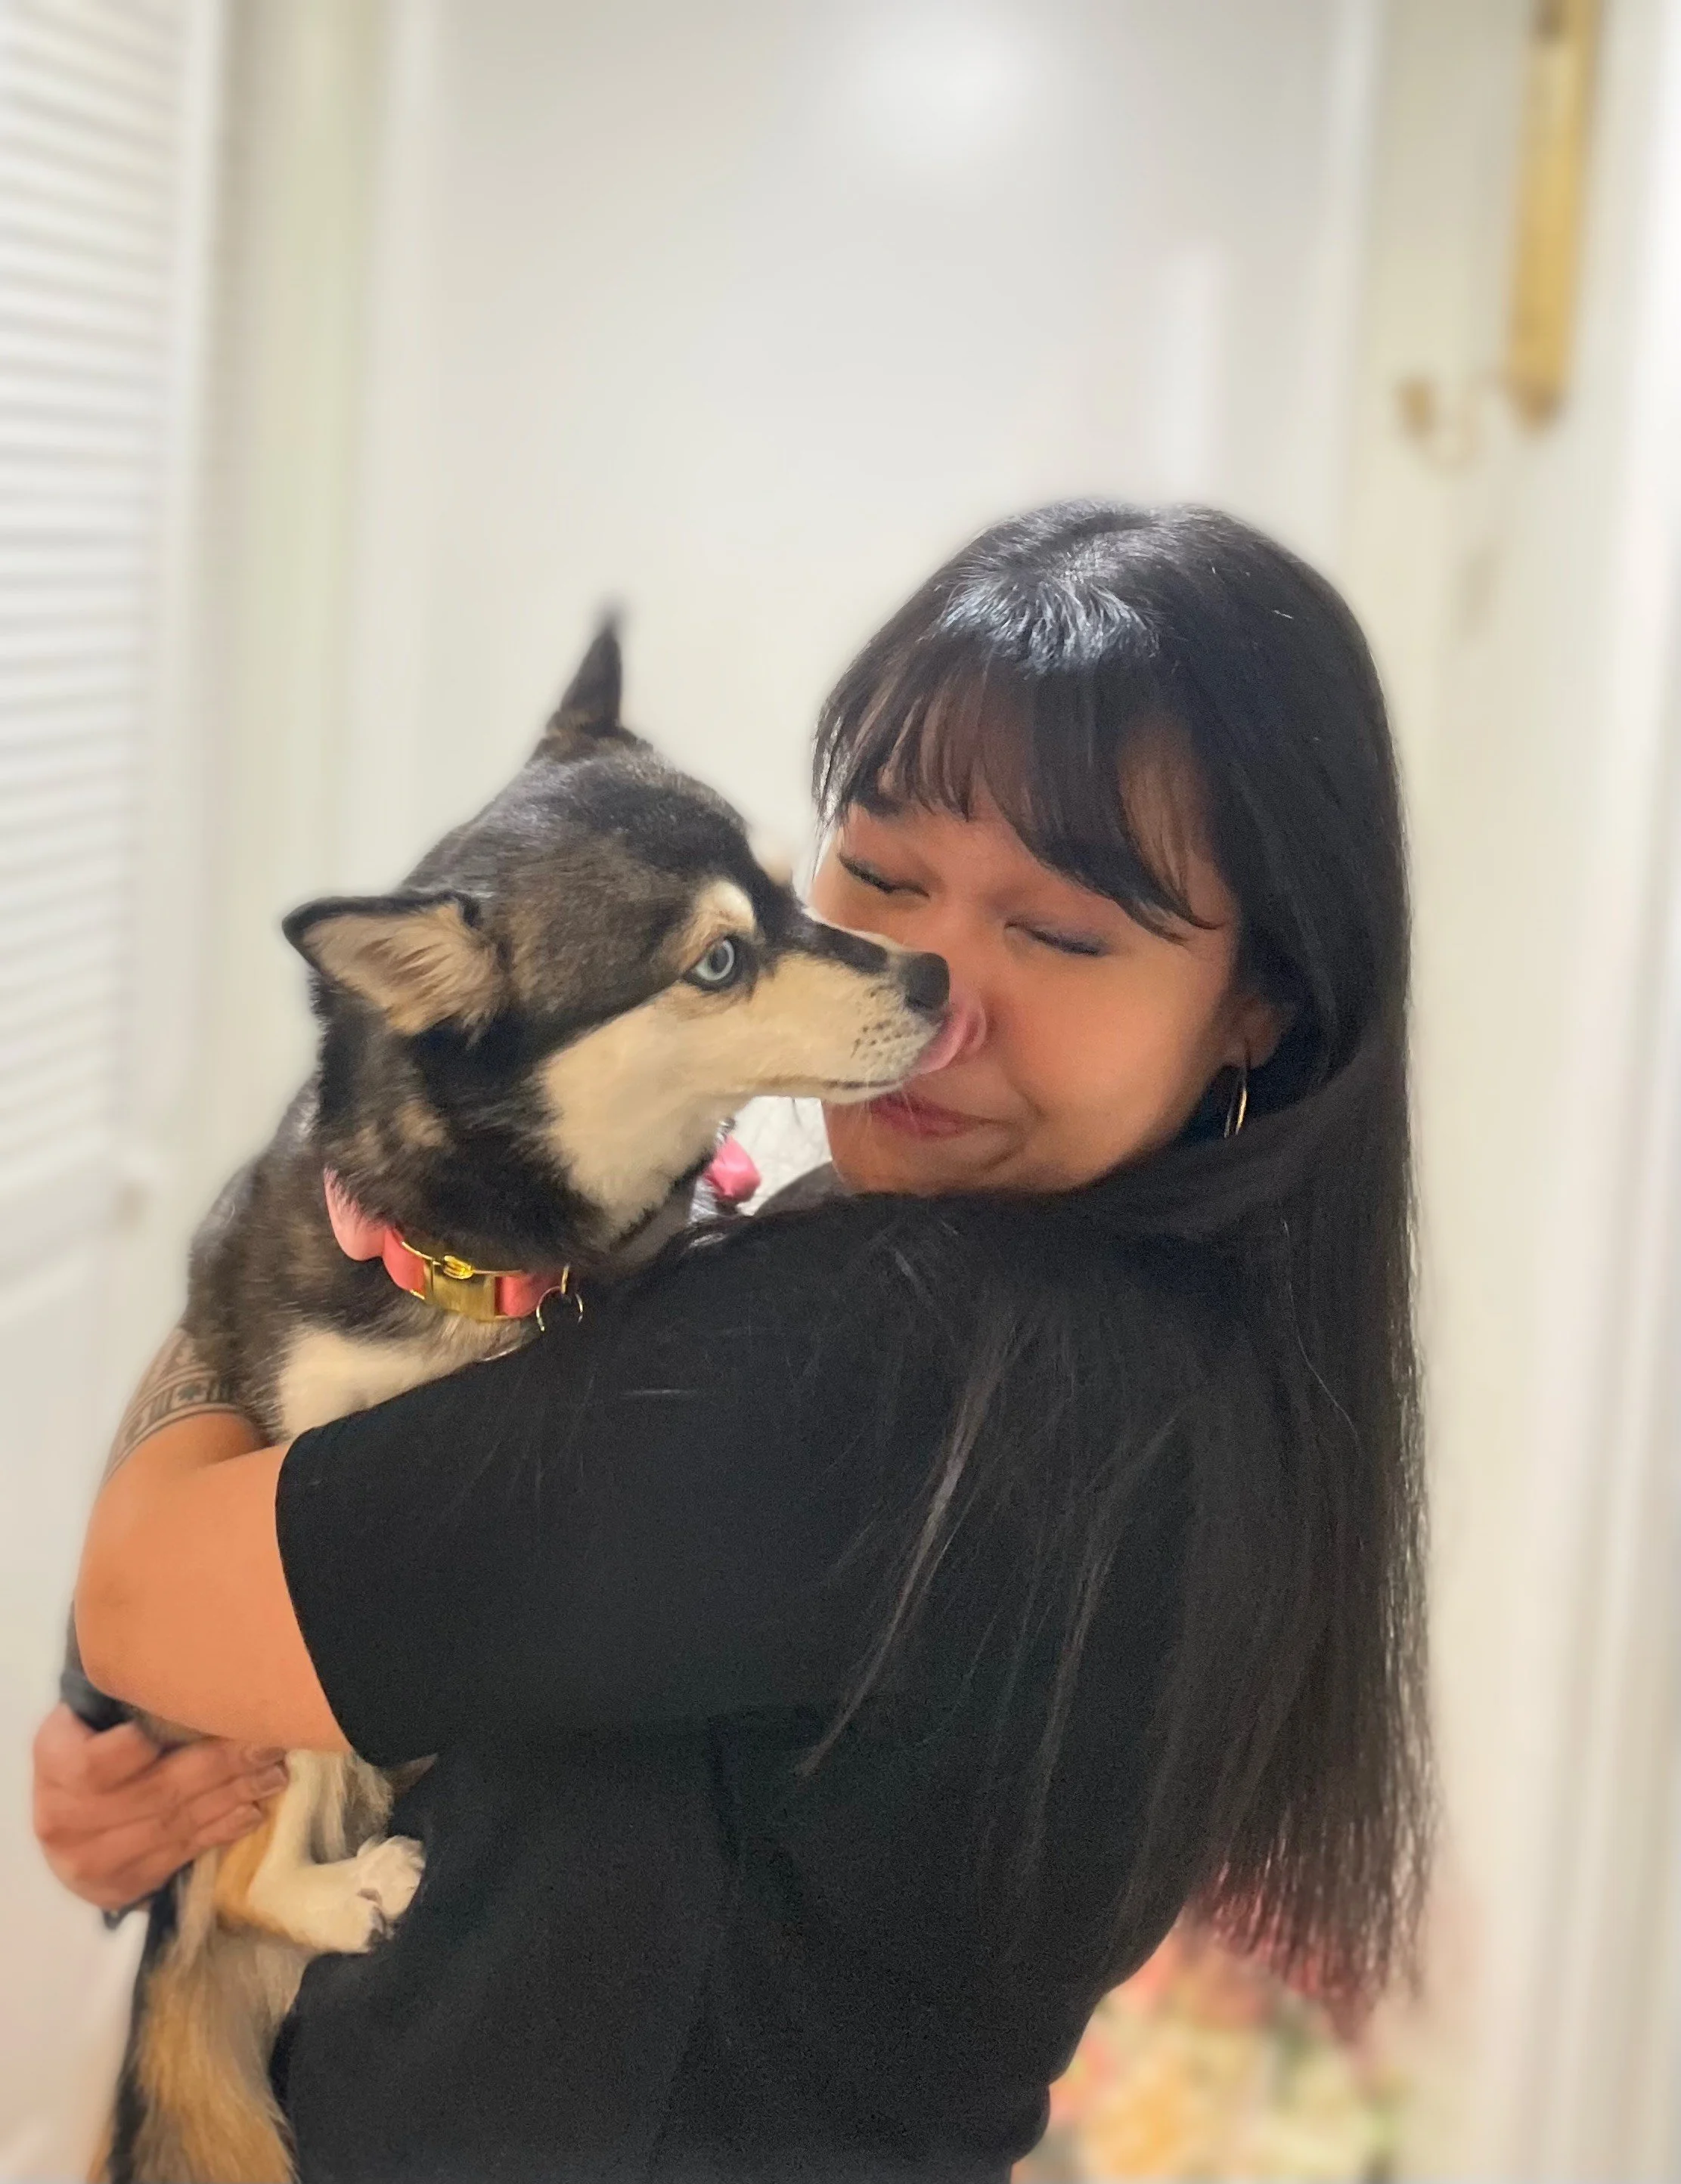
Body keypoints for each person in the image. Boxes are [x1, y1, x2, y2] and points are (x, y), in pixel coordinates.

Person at [56, 502, 1431, 2183]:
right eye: (882, 868)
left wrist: (141, 1642)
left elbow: (151, 1586)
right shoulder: (1161, 1347)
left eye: (1062, 933)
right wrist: (156, 1756)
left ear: (1255, 1003)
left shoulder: (917, 1377)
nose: (926, 983)